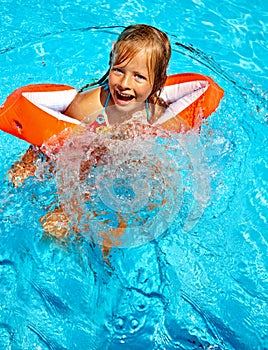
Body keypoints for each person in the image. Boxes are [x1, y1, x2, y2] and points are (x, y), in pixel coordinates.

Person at [9, 24, 174, 250]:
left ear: (158, 82)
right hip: (82, 165)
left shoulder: (155, 112)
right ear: (110, 62)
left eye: (139, 77)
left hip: (118, 172)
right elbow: (49, 139)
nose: (125, 84)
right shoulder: (88, 106)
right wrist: (26, 165)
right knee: (57, 226)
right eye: (119, 70)